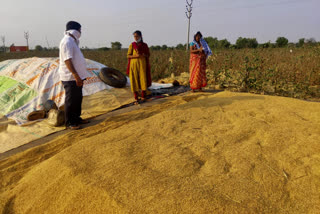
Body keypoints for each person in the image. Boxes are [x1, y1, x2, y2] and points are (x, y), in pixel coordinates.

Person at [58, 21, 90, 130]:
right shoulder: (67, 41)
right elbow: (68, 60)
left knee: (77, 98)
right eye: (80, 30)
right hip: (70, 77)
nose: (80, 32)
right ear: (75, 30)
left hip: (77, 76)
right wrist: (75, 75)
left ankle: (77, 118)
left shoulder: (73, 41)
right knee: (71, 99)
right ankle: (70, 122)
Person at [127, 30, 152, 104]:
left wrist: (143, 55)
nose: (135, 37)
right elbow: (128, 55)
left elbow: (148, 55)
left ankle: (144, 97)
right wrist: (135, 56)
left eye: (137, 36)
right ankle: (136, 98)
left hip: (142, 65)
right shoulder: (132, 45)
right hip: (133, 65)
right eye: (134, 36)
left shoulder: (144, 45)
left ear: (140, 36)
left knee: (142, 79)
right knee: (134, 80)